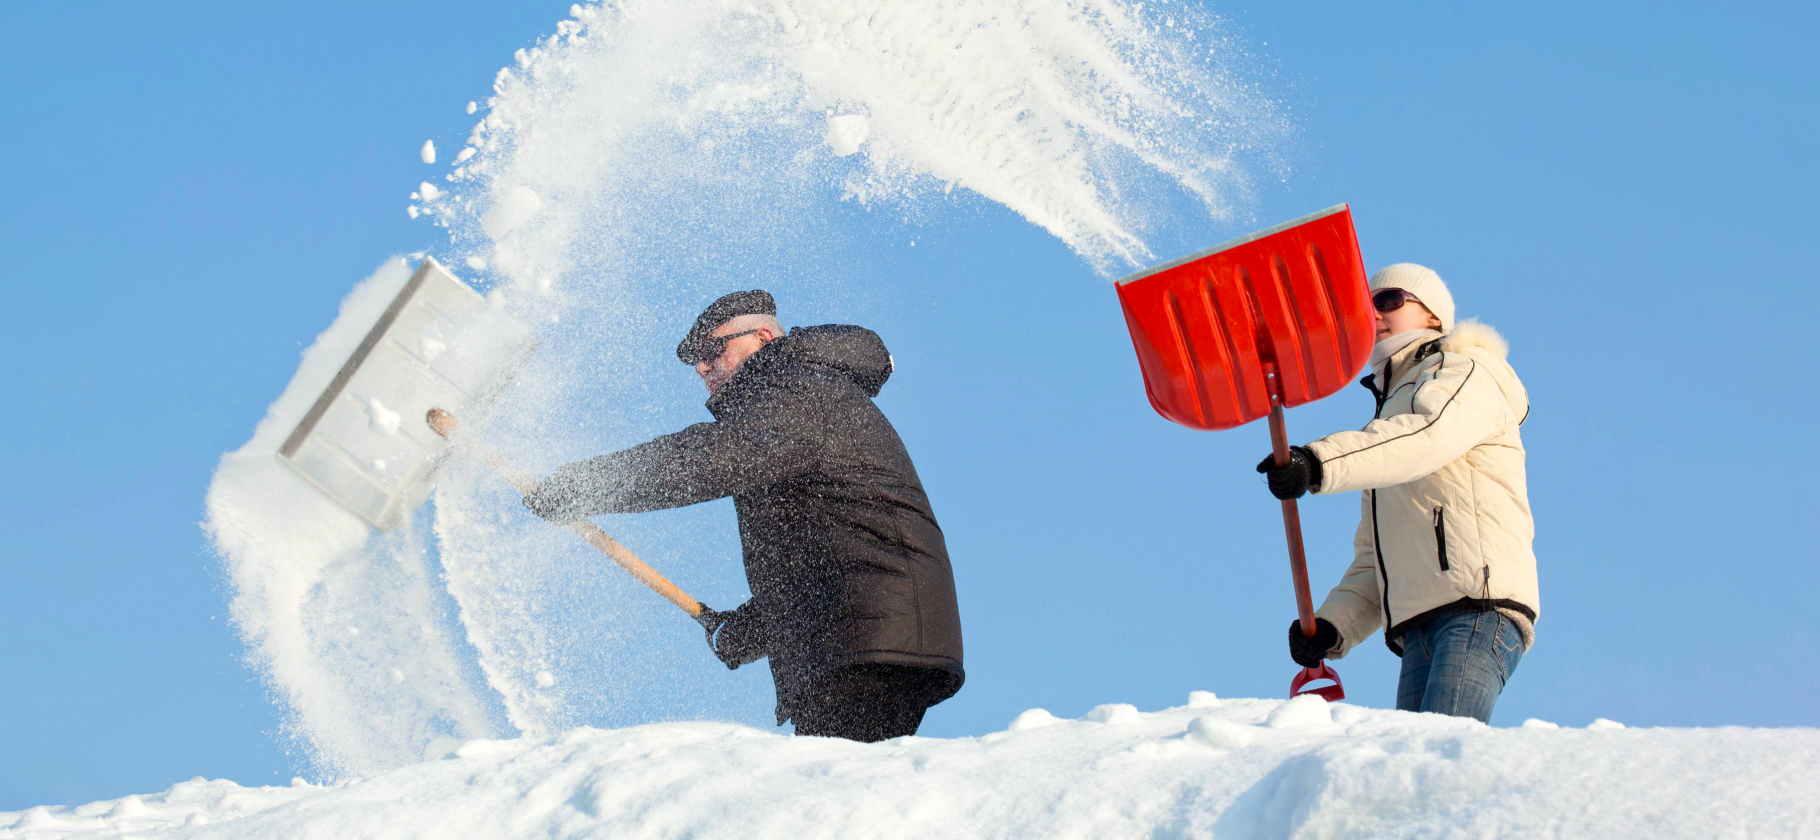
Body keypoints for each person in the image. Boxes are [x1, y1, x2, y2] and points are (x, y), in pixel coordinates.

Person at [521, 290, 963, 741]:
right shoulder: (790, 401)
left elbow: (707, 459)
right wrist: (758, 626)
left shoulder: (799, 385)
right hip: (858, 634)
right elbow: (819, 546)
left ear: (764, 337)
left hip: (869, 638)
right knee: (838, 790)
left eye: (713, 350)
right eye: (696, 359)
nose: (702, 367)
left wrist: (586, 486)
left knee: (836, 794)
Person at [1256, 263, 1537, 723]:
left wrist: (1317, 462)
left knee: (1437, 760)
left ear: (1432, 315)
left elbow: (1427, 433)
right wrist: (1331, 626)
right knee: (1412, 762)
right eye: (1366, 307)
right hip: (1417, 626)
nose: (1374, 313)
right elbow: (1377, 557)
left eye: (1388, 300)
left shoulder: (1467, 369)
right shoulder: (1387, 421)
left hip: (1475, 607)